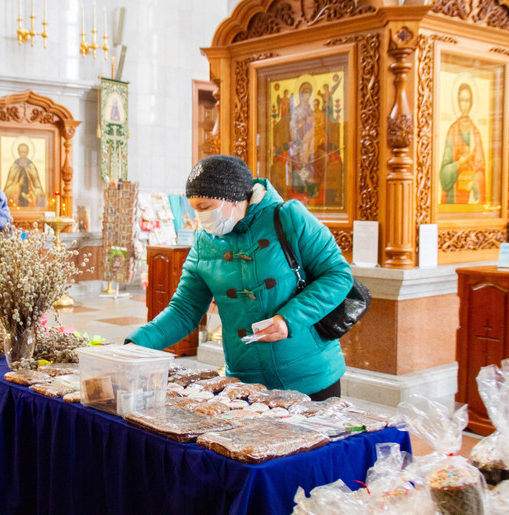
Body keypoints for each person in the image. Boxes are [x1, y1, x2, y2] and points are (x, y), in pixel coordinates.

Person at [127, 155, 353, 399]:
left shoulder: (289, 218)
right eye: (195, 208)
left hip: (310, 375)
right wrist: (136, 346)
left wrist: (288, 320)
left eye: (205, 207)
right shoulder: (204, 242)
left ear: (232, 198)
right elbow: (184, 310)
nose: (200, 217)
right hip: (245, 379)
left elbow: (338, 275)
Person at [440, 83, 486, 204]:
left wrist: (475, 177)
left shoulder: (475, 133)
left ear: (471, 103)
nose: (464, 105)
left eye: (467, 101)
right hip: (454, 193)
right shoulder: (452, 131)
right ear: (458, 102)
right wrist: (458, 164)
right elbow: (444, 170)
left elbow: (481, 167)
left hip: (471, 191)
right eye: (462, 100)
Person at [3, 140, 46, 208]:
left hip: (30, 200)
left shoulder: (31, 167)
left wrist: (32, 193)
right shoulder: (14, 167)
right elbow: (7, 190)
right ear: (18, 152)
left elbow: (38, 187)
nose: (23, 154)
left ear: (28, 153)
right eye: (21, 152)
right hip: (16, 201)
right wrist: (18, 185)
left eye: (25, 152)